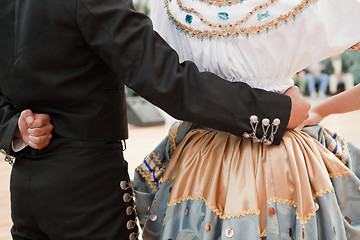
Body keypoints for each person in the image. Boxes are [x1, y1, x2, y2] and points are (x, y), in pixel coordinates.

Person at [0, 0, 309, 239]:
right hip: (84, 190)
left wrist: (16, 127)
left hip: (26, 188)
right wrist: (273, 111)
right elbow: (166, 80)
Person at [133, 0, 360, 239]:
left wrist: (320, 109)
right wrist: (321, 109)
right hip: (284, 155)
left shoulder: (172, 5)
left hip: (199, 160)